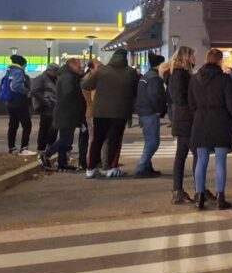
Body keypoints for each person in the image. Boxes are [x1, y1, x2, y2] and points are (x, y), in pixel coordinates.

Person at [189, 49, 232, 211]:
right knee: (220, 160)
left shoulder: (195, 79)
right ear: (219, 61)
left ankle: (199, 197)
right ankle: (220, 198)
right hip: (220, 120)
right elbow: (231, 104)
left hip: (201, 120)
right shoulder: (224, 79)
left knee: (201, 160)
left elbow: (191, 103)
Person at [82, 48, 139, 179]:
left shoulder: (102, 71)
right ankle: (111, 168)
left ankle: (90, 168)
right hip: (120, 112)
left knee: (97, 140)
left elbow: (86, 85)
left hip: (100, 112)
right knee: (115, 140)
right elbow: (136, 91)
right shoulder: (131, 72)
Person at [164, 47, 200, 203]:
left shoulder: (176, 73)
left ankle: (179, 190)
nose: (195, 59)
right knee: (197, 154)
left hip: (181, 118)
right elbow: (180, 97)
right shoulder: (180, 74)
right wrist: (193, 106)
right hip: (186, 119)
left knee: (182, 155)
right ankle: (198, 189)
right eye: (193, 56)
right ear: (187, 57)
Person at [134, 53, 167, 178]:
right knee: (153, 142)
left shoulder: (147, 76)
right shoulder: (155, 78)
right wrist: (160, 110)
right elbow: (155, 96)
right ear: (159, 65)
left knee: (149, 141)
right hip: (150, 112)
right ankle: (142, 167)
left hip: (143, 111)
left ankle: (147, 166)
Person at [50, 58, 86, 171]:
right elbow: (68, 94)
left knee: (66, 139)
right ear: (71, 65)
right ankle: (46, 154)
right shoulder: (68, 77)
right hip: (66, 113)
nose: (81, 67)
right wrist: (78, 103)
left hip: (67, 112)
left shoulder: (69, 76)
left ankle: (62, 163)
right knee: (65, 139)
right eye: (78, 65)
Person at [2, 55, 34, 155]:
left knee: (13, 125)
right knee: (27, 125)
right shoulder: (19, 72)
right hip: (20, 102)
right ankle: (24, 148)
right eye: (25, 65)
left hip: (11, 102)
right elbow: (15, 86)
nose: (25, 67)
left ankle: (12, 148)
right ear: (22, 64)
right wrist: (27, 91)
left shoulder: (9, 71)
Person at [29, 62, 58, 165]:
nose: (55, 73)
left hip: (53, 105)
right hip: (45, 107)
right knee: (45, 127)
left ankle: (49, 147)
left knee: (52, 127)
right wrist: (46, 102)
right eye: (54, 71)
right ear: (49, 70)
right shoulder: (41, 78)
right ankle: (41, 148)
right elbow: (35, 91)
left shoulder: (54, 78)